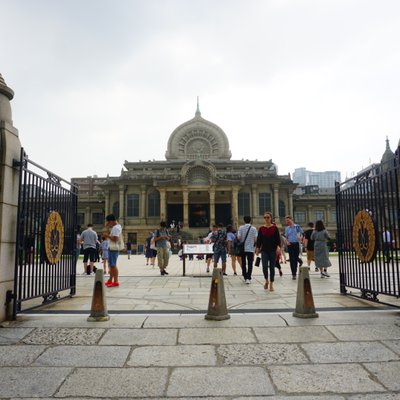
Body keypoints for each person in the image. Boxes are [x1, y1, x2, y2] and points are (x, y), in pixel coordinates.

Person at [256, 212, 281, 291]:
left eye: (268, 217)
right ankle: (266, 280)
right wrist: (257, 248)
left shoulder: (274, 228)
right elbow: (259, 240)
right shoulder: (261, 228)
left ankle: (271, 283)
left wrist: (278, 247)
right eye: (265, 217)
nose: (266, 219)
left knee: (272, 267)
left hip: (273, 250)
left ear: (271, 218)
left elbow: (278, 239)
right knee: (264, 266)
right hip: (264, 250)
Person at [237, 216, 257, 284]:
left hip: (243, 248)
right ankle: (249, 277)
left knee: (243, 262)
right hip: (250, 248)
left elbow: (239, 238)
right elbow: (255, 239)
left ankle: (245, 276)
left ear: (244, 220)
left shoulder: (241, 228)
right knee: (250, 263)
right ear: (250, 220)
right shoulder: (254, 228)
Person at [105, 214, 122, 287]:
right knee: (111, 265)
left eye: (108, 222)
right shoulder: (117, 227)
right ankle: (110, 280)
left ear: (111, 221)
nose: (108, 224)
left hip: (113, 248)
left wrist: (107, 236)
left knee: (113, 265)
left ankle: (116, 281)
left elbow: (115, 239)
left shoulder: (115, 228)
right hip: (112, 248)